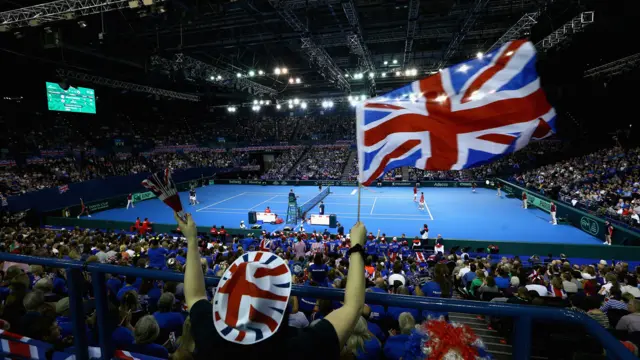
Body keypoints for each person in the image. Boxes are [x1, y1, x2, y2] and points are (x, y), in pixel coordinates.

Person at [175, 211, 367, 359]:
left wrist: (191, 240)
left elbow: (195, 296)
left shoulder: (211, 339)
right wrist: (357, 246)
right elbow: (353, 306)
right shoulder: (303, 348)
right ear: (282, 305)